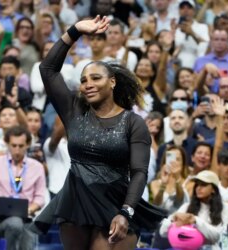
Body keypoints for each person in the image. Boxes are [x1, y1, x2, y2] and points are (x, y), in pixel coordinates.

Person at [32, 16, 166, 250]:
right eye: (84, 80)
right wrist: (74, 31)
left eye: (96, 78)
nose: (88, 84)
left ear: (112, 82)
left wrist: (126, 212)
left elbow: (139, 173)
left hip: (116, 205)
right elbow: (48, 69)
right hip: (76, 204)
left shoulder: (133, 122)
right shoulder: (74, 112)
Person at [0, 126, 46, 250]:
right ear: (7, 144)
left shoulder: (37, 167)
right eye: (13, 145)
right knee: (15, 223)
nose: (17, 150)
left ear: (28, 144)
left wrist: (28, 210)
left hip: (27, 217)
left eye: (21, 146)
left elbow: (40, 198)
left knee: (24, 231)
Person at [160, 170, 228, 249]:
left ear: (213, 189)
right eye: (197, 184)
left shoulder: (225, 208)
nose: (198, 188)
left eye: (203, 185)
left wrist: (195, 220)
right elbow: (163, 232)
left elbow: (219, 236)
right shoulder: (187, 206)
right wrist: (173, 218)